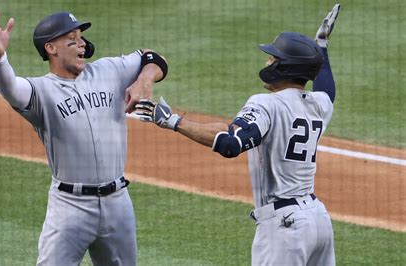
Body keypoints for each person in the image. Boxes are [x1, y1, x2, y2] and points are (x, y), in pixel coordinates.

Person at [135, 4, 341, 266]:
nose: (268, 62)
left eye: (273, 58)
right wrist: (321, 45)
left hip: (285, 228)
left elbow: (231, 143)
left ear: (285, 68)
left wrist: (172, 120)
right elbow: (327, 89)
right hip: (318, 220)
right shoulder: (318, 104)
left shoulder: (267, 104)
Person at [0, 8, 168, 266]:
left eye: (81, 37)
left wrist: (144, 80)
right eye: (72, 39)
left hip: (118, 203)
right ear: (51, 48)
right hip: (70, 208)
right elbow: (10, 88)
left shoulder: (109, 71)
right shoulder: (41, 90)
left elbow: (154, 58)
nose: (82, 43)